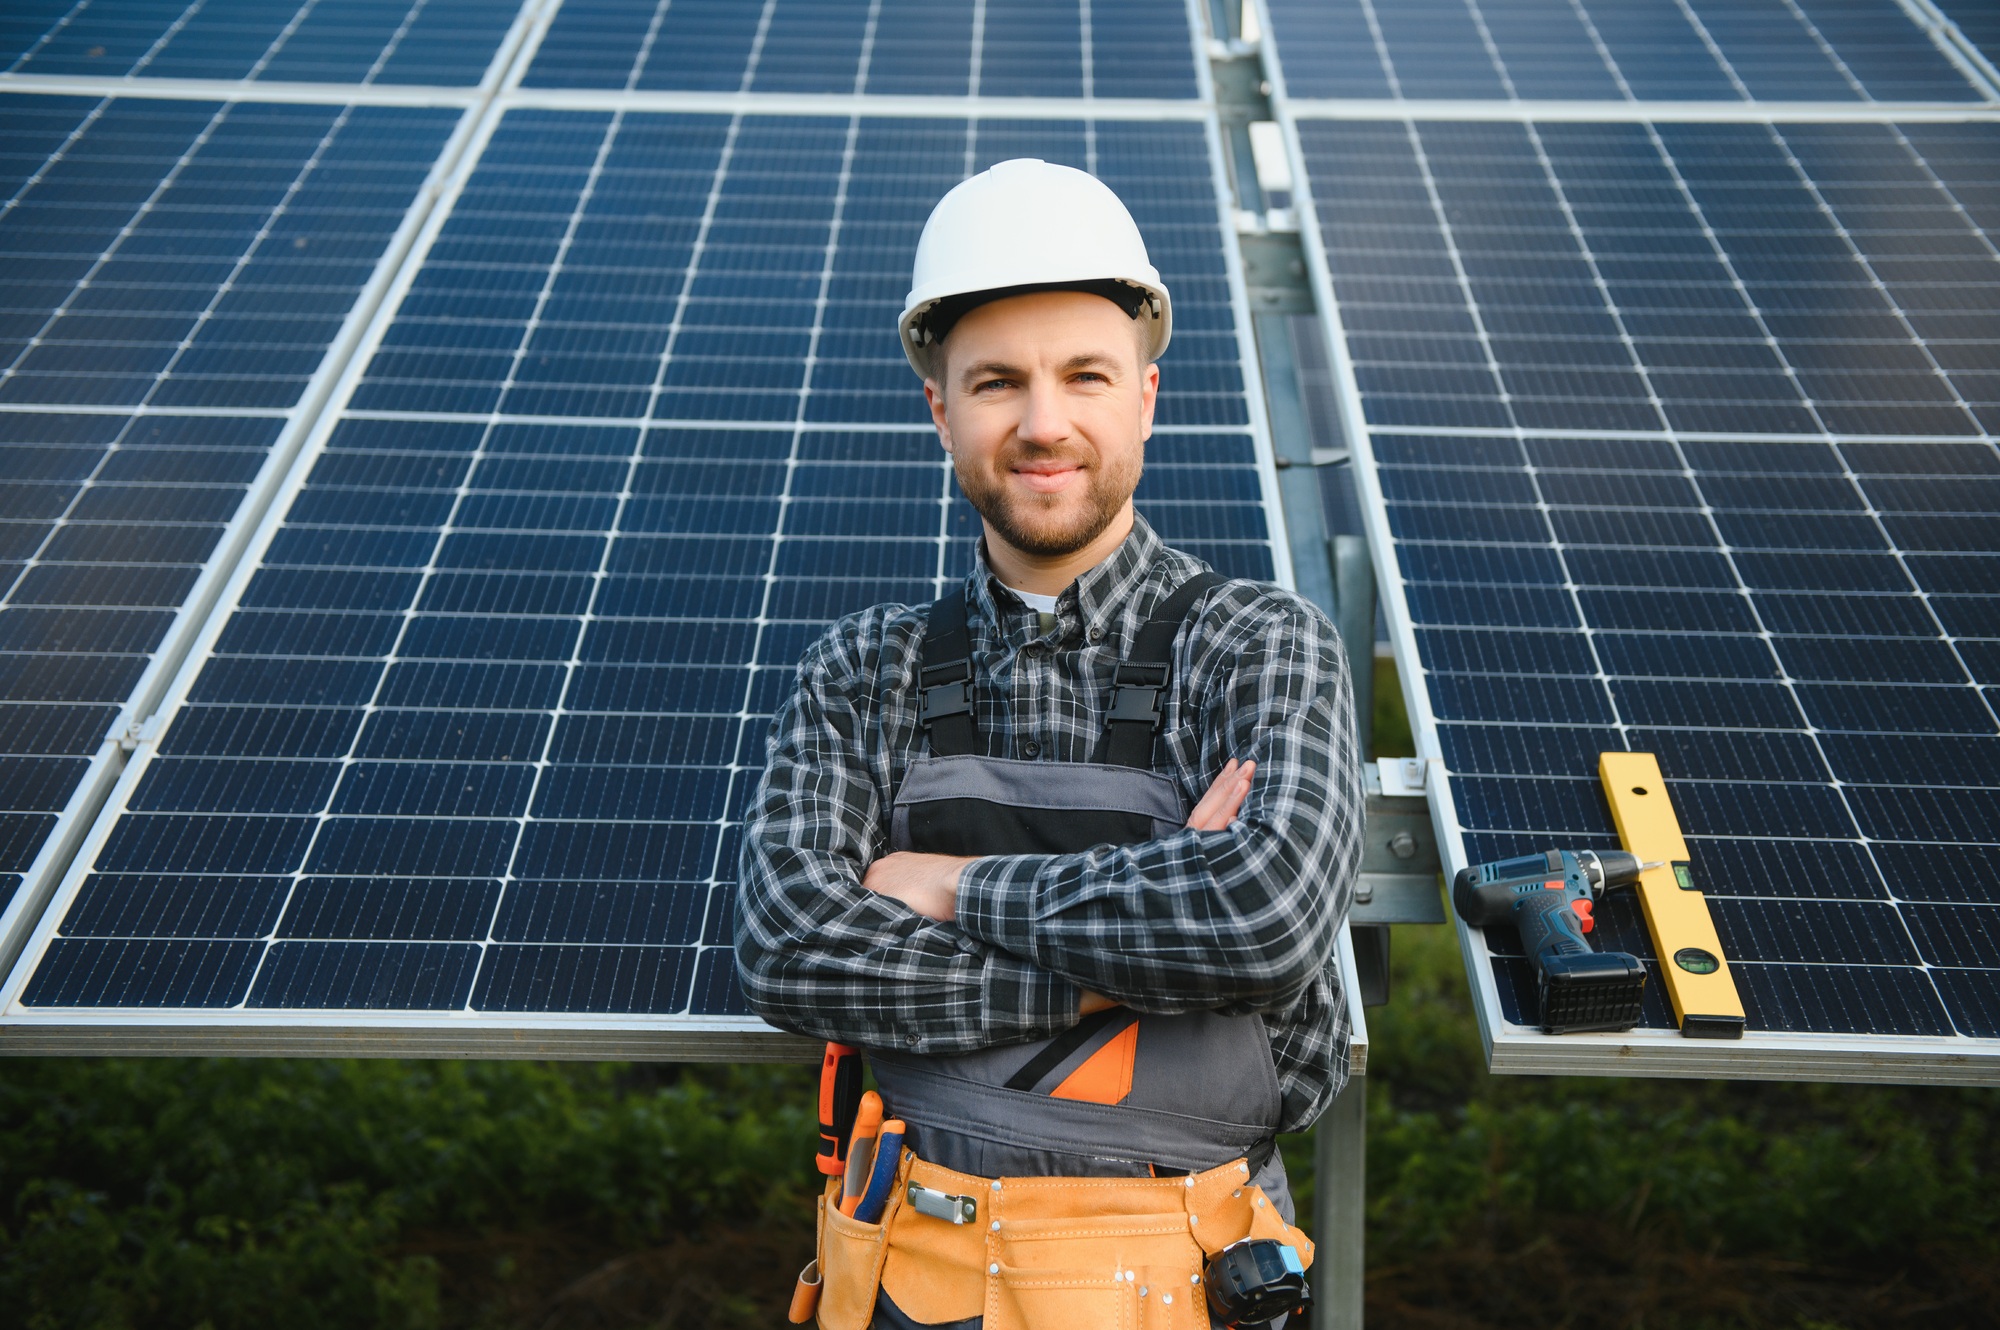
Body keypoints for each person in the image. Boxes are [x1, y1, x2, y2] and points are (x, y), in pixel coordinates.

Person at [737, 157, 1363, 1330]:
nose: (1041, 423)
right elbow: (793, 949)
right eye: (995, 383)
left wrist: (947, 883)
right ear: (940, 408)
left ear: (1145, 396)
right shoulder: (861, 670)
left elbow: (1263, 916)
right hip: (915, 1282)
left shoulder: (1258, 646)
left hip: (1195, 1283)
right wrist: (1149, 957)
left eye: (1084, 375)